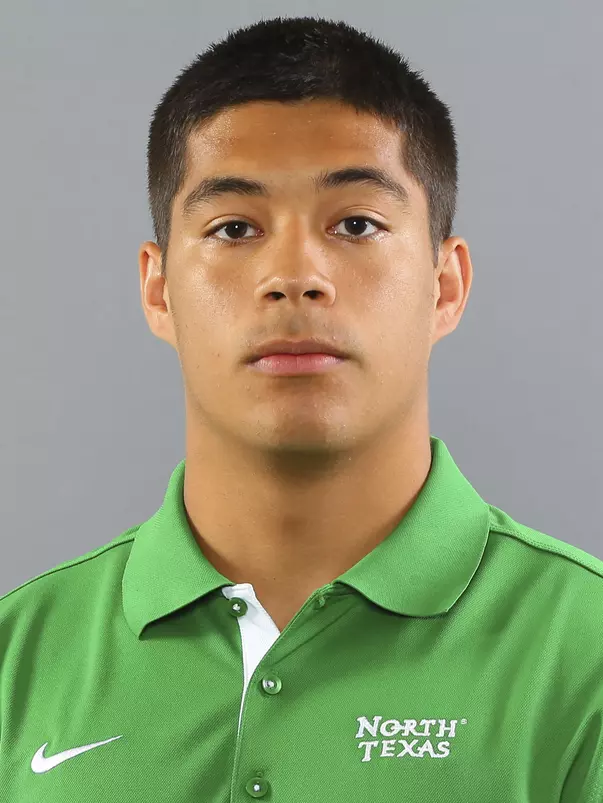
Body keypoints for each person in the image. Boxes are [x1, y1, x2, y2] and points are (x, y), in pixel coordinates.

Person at [1, 15, 602, 802]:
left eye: (355, 223)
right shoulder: (18, 658)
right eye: (234, 228)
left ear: (443, 285)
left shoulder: (584, 651)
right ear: (158, 290)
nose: (294, 275)